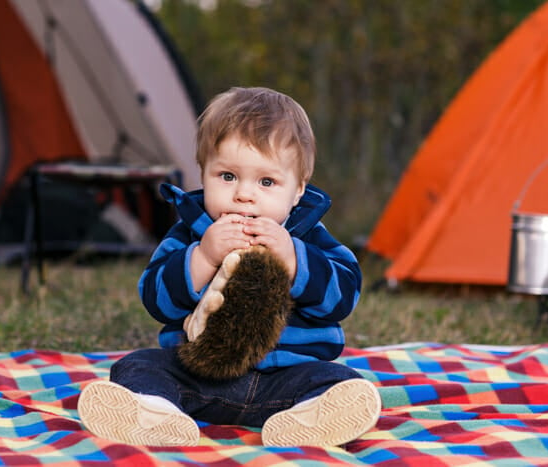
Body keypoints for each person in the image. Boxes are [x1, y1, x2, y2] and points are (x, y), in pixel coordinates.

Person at [78, 86, 380, 447]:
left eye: (267, 182)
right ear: (203, 174)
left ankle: (307, 419)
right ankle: (156, 413)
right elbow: (154, 297)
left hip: (285, 378)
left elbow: (344, 295)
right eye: (227, 176)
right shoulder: (192, 232)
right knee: (136, 366)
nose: (244, 195)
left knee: (340, 379)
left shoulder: (308, 238)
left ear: (297, 190)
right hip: (197, 378)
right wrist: (202, 258)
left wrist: (294, 259)